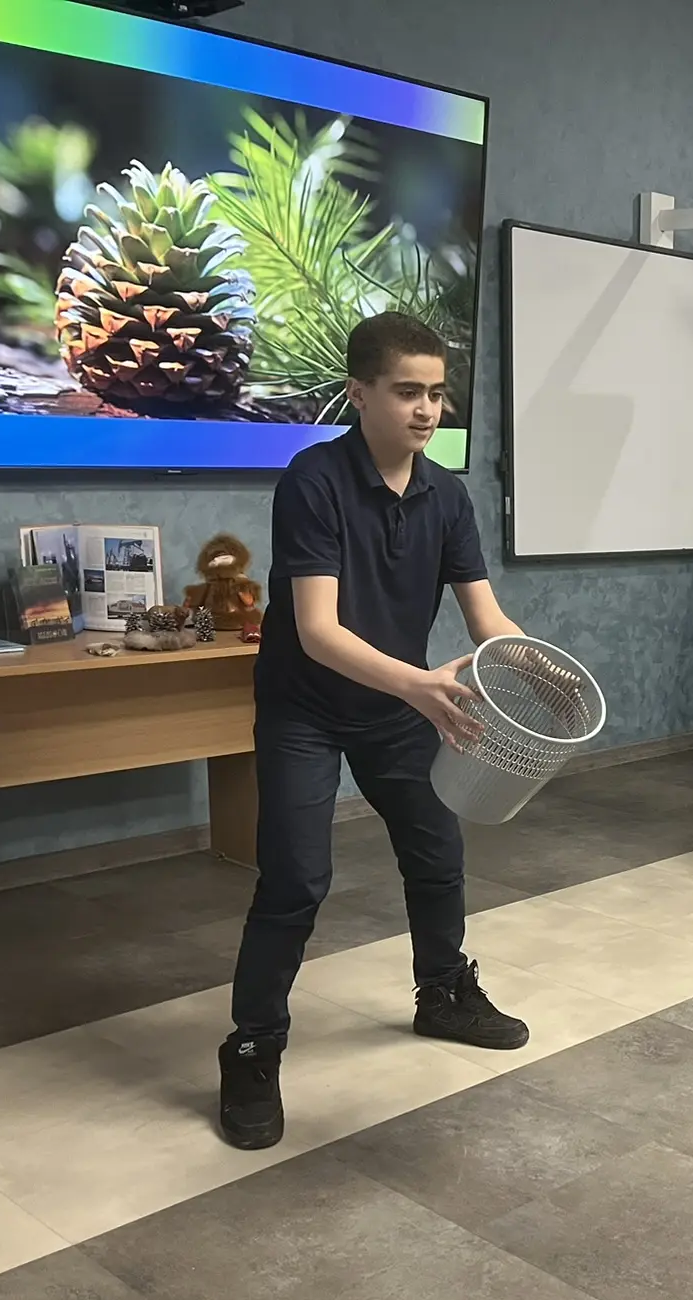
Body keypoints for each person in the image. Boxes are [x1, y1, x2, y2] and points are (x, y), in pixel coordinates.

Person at [217, 312, 530, 1151]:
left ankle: (444, 994)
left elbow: (485, 616)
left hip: (396, 705)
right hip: (306, 710)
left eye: (436, 393)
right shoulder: (312, 482)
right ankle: (252, 1049)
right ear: (359, 394)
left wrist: (530, 663)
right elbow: (317, 631)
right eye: (407, 392)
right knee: (295, 880)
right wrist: (422, 686)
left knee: (438, 853)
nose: (427, 409)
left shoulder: (447, 495)